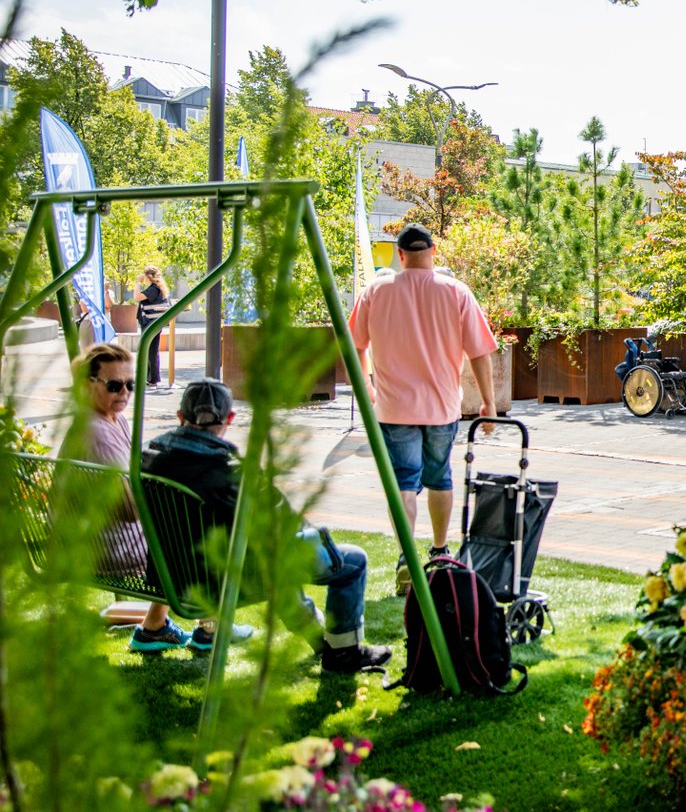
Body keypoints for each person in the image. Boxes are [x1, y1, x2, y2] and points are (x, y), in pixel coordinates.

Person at [143, 379, 392, 673]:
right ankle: (343, 652)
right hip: (227, 581)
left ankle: (321, 641)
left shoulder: (148, 459)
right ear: (231, 419)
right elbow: (286, 526)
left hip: (171, 576)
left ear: (181, 417)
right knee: (350, 561)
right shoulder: (234, 472)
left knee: (272, 557)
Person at [347, 222, 496, 595]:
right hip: (442, 408)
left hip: (393, 407)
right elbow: (480, 352)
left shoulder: (375, 291)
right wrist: (489, 403)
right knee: (440, 477)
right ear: (432, 252)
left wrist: (364, 383)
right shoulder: (456, 292)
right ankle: (441, 550)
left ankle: (405, 561)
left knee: (402, 483)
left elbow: (353, 344)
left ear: (400, 255)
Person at [74, 344, 252, 654]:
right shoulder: (96, 432)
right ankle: (211, 627)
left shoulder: (114, 421)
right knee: (193, 530)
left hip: (109, 538)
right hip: (109, 547)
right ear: (88, 384)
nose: (125, 393)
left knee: (181, 526)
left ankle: (155, 627)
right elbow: (132, 509)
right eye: (114, 385)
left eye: (131, 384)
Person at [134, 266, 169, 388]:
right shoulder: (155, 288)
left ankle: (152, 378)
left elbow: (137, 297)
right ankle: (148, 377)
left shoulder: (154, 289)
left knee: (150, 350)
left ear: (148, 277)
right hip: (151, 322)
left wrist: (138, 282)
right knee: (150, 350)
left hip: (151, 323)